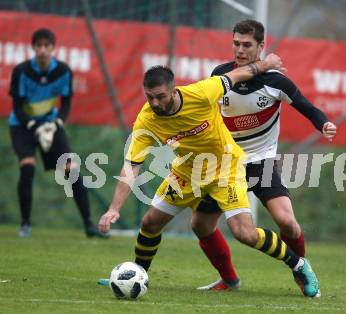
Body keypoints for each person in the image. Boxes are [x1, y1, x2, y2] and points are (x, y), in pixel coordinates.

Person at [98, 57, 321, 298]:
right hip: (187, 173)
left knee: (244, 233)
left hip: (226, 168)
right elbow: (131, 166)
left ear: (174, 91)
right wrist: (114, 208)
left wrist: (265, 64)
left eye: (160, 96)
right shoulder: (147, 120)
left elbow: (238, 75)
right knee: (150, 223)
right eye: (149, 96)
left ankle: (299, 265)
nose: (155, 102)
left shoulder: (202, 93)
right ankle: (135, 275)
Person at [192, 19, 336, 295]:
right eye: (236, 43)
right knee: (200, 224)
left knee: (287, 222)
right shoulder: (220, 75)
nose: (240, 50)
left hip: (261, 162)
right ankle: (230, 280)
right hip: (226, 164)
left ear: (261, 46)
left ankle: (300, 269)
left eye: (247, 45)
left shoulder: (276, 82)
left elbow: (308, 108)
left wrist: (324, 124)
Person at [8, 28, 106, 238]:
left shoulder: (63, 71)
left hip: (51, 125)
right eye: (39, 46)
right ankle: (25, 225)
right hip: (23, 126)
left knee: (72, 169)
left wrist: (57, 122)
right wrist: (34, 126)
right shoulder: (21, 71)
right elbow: (17, 107)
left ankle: (89, 225)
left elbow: (66, 103)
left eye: (47, 46)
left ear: (53, 48)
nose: (43, 50)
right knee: (27, 169)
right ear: (33, 48)